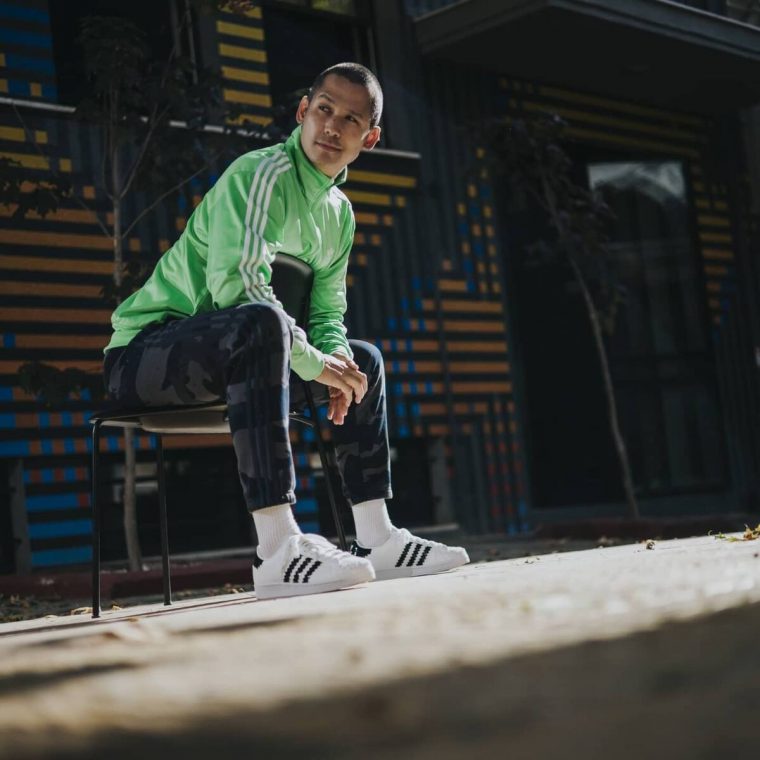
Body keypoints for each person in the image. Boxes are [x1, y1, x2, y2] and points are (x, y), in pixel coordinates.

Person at [102, 62, 469, 600]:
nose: (332, 127)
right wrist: (315, 364)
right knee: (260, 322)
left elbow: (327, 315)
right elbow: (240, 289)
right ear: (303, 112)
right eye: (324, 110)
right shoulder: (261, 175)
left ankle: (378, 540)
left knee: (363, 362)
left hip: (242, 357)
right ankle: (276, 550)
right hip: (145, 355)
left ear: (369, 139)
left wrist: (336, 364)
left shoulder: (339, 214)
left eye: (350, 120)